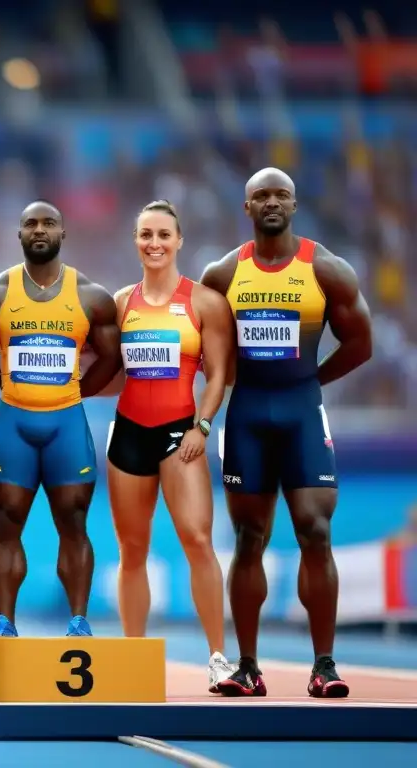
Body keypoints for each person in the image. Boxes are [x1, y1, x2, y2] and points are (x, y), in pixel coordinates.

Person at [201, 167, 373, 698]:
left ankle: (324, 665)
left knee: (315, 533)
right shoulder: (222, 275)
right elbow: (207, 349)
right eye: (261, 196)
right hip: (247, 415)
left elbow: (360, 344)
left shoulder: (328, 270)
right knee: (249, 538)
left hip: (301, 413)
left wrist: (309, 383)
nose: (271, 202)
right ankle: (248, 667)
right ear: (247, 208)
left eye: (281, 195)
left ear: (294, 206)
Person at [0, 199, 122, 638]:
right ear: (19, 235)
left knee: (74, 522)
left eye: (49, 223)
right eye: (31, 224)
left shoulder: (93, 298)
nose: (40, 230)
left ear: (62, 233)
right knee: (6, 522)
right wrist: (7, 383)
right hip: (13, 426)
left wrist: (77, 392)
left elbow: (111, 358)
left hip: (67, 425)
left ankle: (78, 621)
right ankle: (4, 621)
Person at [104, 200, 236, 692]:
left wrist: (203, 425)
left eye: (163, 235)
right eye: (145, 235)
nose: (154, 243)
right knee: (132, 549)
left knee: (197, 541)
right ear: (136, 241)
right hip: (129, 433)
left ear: (179, 241)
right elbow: (108, 372)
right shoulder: (120, 303)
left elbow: (220, 372)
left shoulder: (203, 303)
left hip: (182, 432)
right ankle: (134, 658)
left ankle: (219, 658)